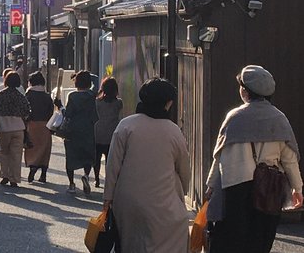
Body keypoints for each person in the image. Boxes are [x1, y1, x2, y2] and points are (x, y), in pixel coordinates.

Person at [205, 65, 302, 253]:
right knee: (261, 240)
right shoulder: (279, 118)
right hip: (270, 188)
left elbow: (220, 156)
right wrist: (297, 188)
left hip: (235, 187)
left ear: (245, 91)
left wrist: (211, 186)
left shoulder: (234, 117)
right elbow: (290, 159)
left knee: (232, 240)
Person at [103, 77, 190, 252]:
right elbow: (184, 170)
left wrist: (108, 198)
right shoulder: (173, 131)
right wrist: (183, 193)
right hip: (164, 201)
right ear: (167, 103)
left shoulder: (126, 125)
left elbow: (113, 165)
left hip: (127, 200)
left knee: (130, 243)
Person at [0, 71, 30, 187]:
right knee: (16, 154)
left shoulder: (0, 95)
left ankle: (5, 175)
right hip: (18, 128)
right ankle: (14, 178)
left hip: (4, 127)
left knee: (4, 152)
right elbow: (27, 111)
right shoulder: (20, 96)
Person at [63, 70, 98, 195]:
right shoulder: (92, 95)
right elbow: (97, 80)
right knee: (88, 156)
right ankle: (86, 175)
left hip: (73, 130)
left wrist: (61, 107)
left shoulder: (73, 96)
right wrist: (90, 76)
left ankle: (72, 184)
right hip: (88, 129)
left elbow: (68, 114)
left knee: (71, 157)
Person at [24, 71, 55, 183]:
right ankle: (43, 174)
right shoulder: (47, 96)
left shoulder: (28, 95)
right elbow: (51, 111)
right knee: (45, 150)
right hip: (45, 125)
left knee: (32, 148)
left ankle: (32, 167)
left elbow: (25, 110)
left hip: (31, 125)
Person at [93, 77, 123, 188]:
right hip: (112, 134)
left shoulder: (97, 103)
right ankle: (108, 181)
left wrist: (100, 92)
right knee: (109, 160)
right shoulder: (118, 103)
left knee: (96, 158)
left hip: (98, 133)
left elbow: (97, 98)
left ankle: (96, 179)